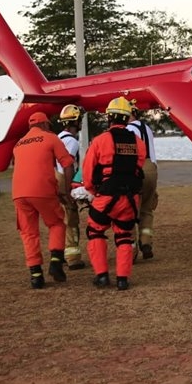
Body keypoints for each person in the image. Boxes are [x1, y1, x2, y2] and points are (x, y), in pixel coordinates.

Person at [82, 97, 146, 291]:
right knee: (124, 236)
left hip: (106, 196)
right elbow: (139, 167)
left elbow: (88, 172)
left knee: (95, 231)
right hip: (130, 198)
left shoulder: (100, 141)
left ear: (109, 117)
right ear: (127, 119)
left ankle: (101, 275)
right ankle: (122, 279)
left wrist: (93, 191)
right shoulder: (137, 142)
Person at [11, 111, 75, 289]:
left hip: (19, 193)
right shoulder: (51, 138)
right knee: (56, 223)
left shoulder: (18, 144)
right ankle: (55, 262)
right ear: (46, 124)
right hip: (42, 190)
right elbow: (67, 164)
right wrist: (66, 190)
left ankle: (36, 275)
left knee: (28, 232)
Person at [125, 100, 158, 260]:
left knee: (130, 210)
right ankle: (146, 242)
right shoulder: (147, 128)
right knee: (147, 209)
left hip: (137, 169)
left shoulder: (129, 129)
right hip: (152, 168)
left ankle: (131, 250)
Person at [56, 104, 86, 270]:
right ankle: (73, 257)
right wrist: (68, 190)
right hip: (63, 180)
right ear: (75, 122)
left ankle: (58, 253)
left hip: (52, 179)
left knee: (59, 219)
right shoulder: (71, 142)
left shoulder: (58, 138)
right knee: (71, 218)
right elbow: (66, 165)